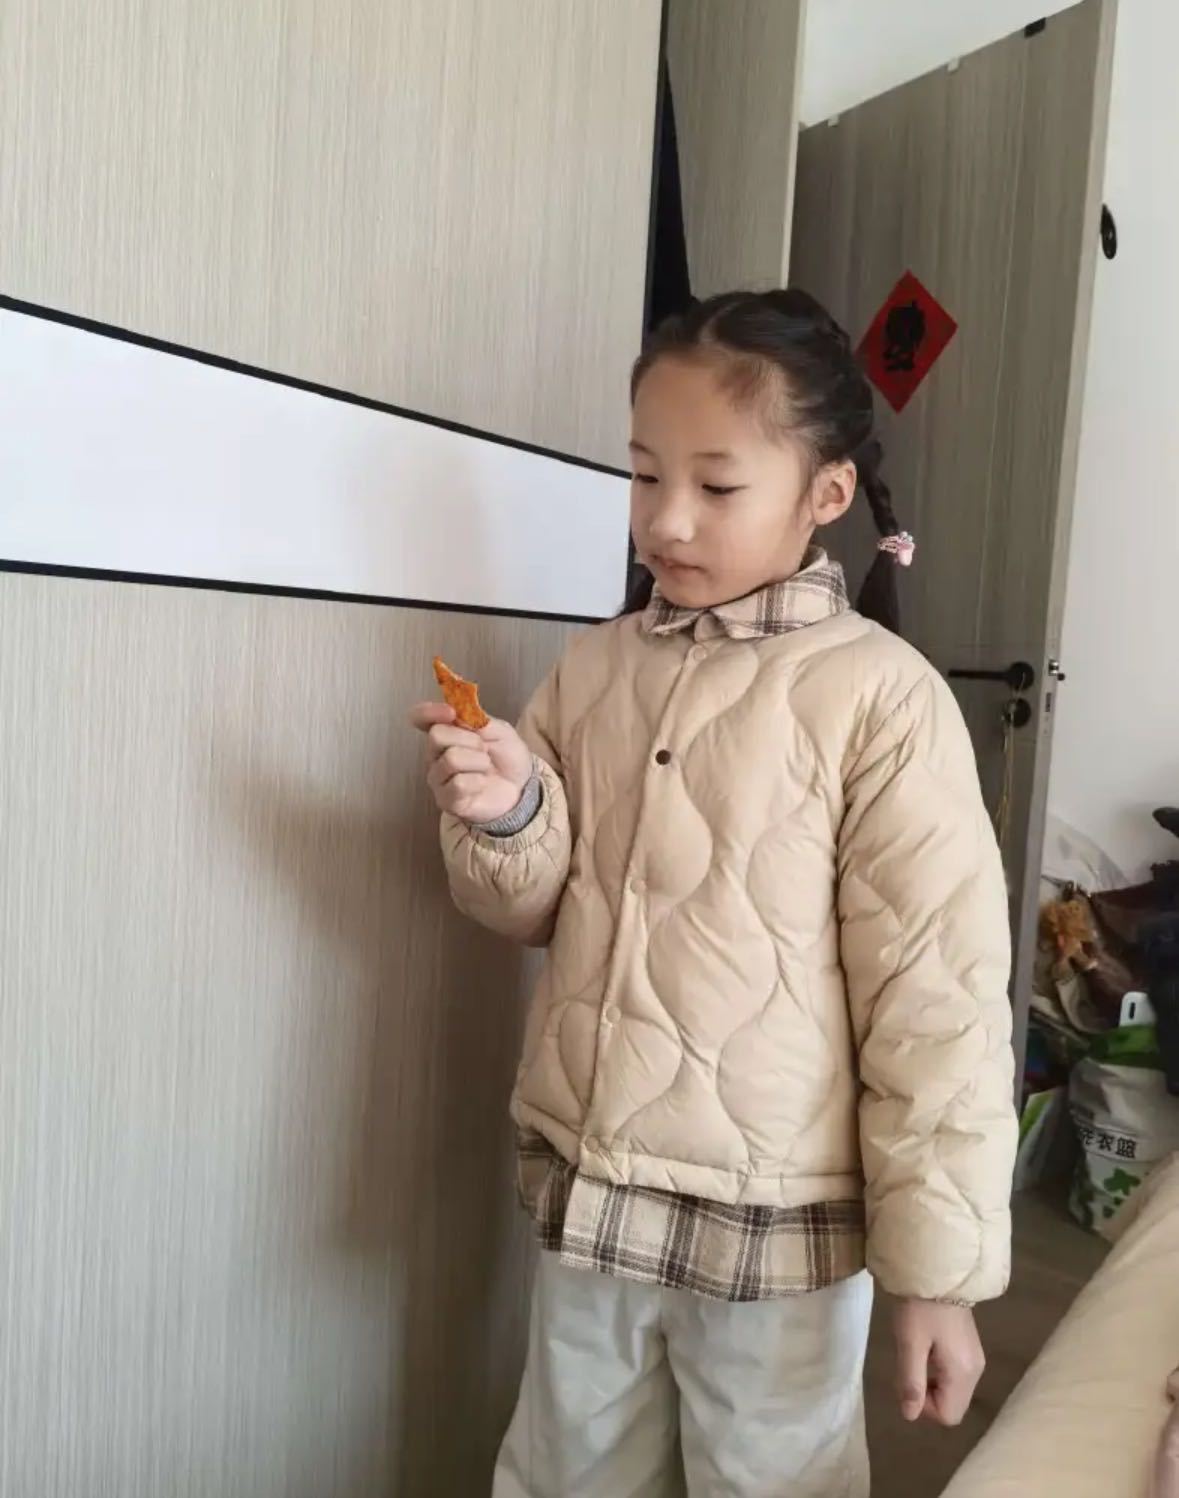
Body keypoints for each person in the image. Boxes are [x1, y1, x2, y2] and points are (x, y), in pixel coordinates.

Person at [411, 289, 1017, 1497]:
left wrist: (936, 1278)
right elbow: (532, 909)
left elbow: (936, 1002)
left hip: (778, 1221)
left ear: (825, 494)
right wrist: (510, 813)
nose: (666, 520)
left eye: (718, 485)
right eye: (644, 476)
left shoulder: (882, 699)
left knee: (770, 1478)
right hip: (597, 1186)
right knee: (564, 1470)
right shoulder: (595, 666)